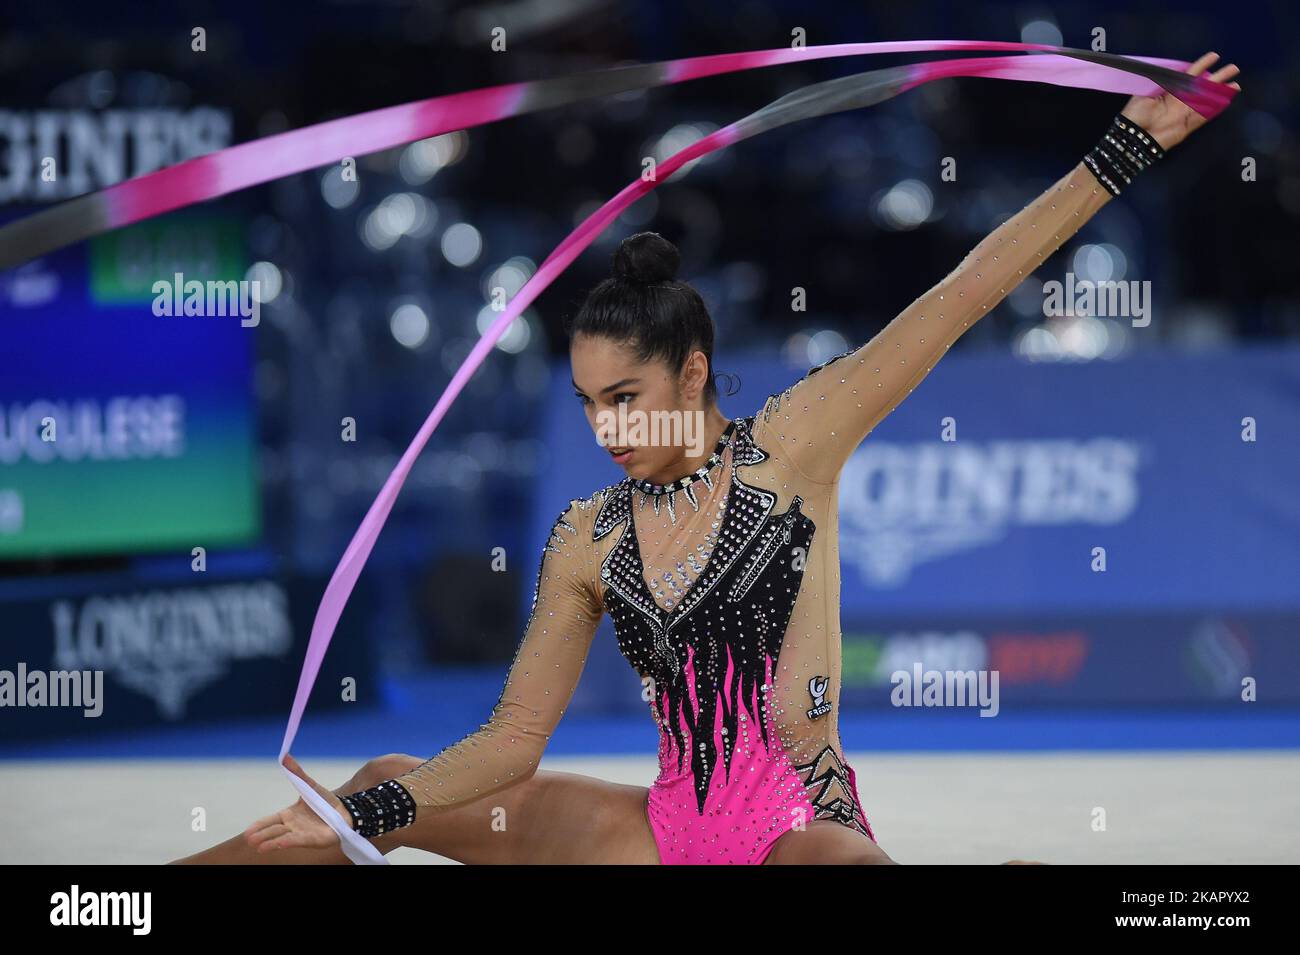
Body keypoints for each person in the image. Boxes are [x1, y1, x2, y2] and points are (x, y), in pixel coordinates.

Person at [176, 52, 1239, 865]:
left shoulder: (795, 447)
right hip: (664, 835)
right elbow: (510, 739)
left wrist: (1126, 151)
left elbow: (964, 290)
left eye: (627, 399)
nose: (607, 428)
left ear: (692, 376)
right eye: (590, 404)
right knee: (361, 790)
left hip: (796, 832)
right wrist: (369, 814)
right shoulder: (587, 536)